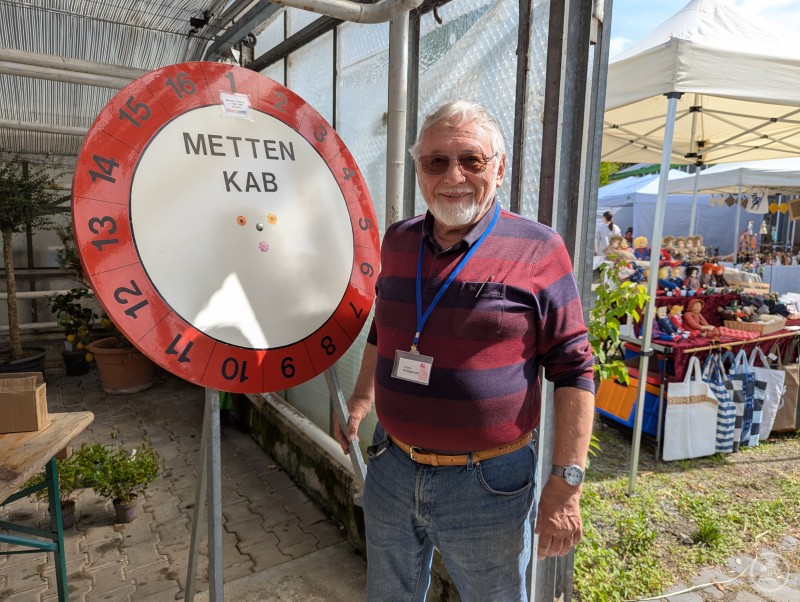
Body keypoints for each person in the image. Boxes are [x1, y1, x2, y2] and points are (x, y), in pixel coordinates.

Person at [334, 100, 595, 602]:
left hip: (488, 483)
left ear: (499, 169)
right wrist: (362, 401)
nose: (453, 175)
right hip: (393, 461)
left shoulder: (538, 248)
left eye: (471, 160)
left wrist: (567, 483)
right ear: (419, 172)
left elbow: (574, 368)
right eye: (436, 162)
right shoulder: (399, 240)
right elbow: (383, 330)